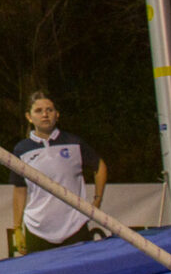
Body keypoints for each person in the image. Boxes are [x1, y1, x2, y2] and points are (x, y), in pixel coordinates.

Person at [9, 92, 108, 253]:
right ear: (29, 117)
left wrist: (97, 201)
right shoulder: (21, 150)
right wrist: (17, 228)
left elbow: (99, 166)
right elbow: (20, 189)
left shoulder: (74, 143)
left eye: (49, 110)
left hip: (75, 226)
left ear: (57, 115)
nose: (45, 114)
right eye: (38, 111)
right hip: (37, 229)